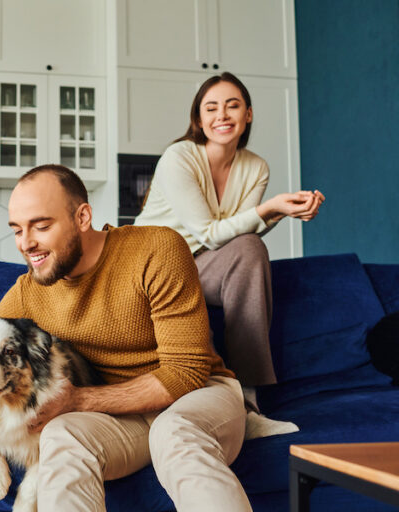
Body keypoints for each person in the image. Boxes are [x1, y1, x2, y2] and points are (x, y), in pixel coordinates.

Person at [0, 164, 250, 511]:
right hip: (120, 420)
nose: (27, 243)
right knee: (61, 434)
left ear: (83, 216)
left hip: (199, 396)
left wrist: (78, 401)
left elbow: (186, 374)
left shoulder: (156, 249)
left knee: (173, 432)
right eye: (17, 230)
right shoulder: (27, 294)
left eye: (41, 226)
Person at [134, 72, 324, 438]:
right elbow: (209, 231)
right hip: (153, 268)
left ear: (248, 115)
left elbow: (240, 237)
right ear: (199, 119)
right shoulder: (180, 157)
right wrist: (272, 207)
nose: (222, 115)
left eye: (232, 105)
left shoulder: (256, 167)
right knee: (246, 246)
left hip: (202, 264)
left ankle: (248, 404)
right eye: (211, 107)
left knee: (251, 248)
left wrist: (281, 211)